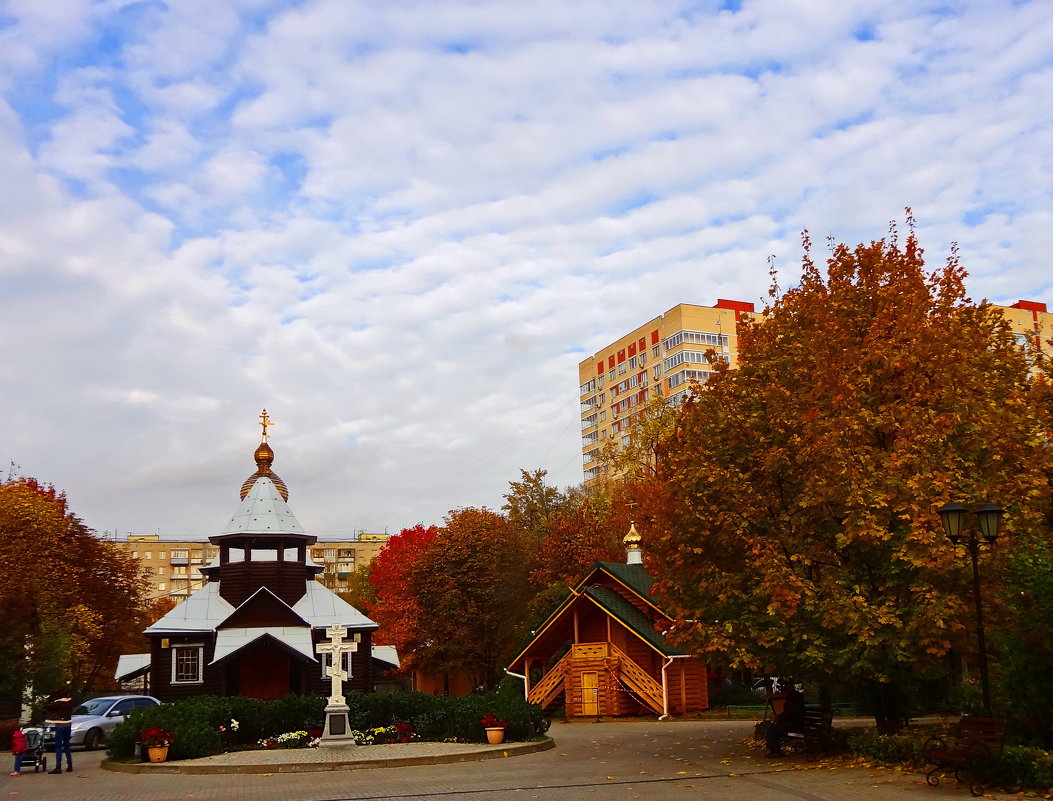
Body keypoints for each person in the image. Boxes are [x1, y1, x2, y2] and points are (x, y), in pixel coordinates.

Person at [765, 683, 805, 757]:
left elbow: (789, 713)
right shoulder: (794, 697)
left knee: (773, 729)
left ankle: (775, 750)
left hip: (794, 724)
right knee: (773, 728)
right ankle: (774, 749)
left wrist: (779, 718)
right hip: (795, 722)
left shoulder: (793, 699)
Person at [44, 688, 75, 774]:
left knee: (58, 746)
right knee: (67, 746)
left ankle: (58, 767)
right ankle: (70, 765)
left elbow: (46, 705)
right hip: (68, 724)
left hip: (60, 725)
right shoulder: (70, 703)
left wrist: (50, 697)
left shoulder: (58, 703)